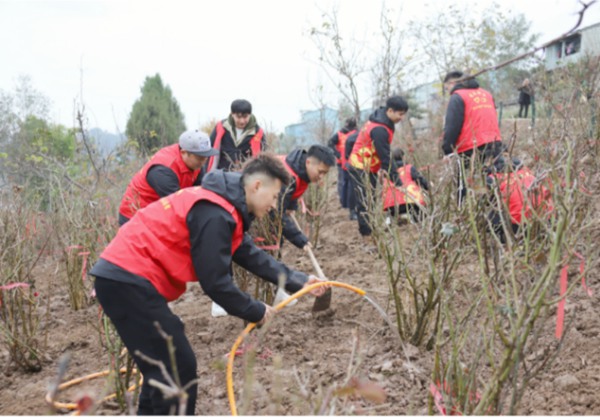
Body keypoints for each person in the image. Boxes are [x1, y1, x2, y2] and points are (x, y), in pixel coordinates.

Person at [90, 154, 329, 415]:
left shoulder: (223, 206)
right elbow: (215, 283)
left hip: (125, 279)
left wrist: (300, 281)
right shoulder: (214, 212)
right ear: (256, 186)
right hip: (126, 279)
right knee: (177, 367)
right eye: (273, 197)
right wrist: (255, 310)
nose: (274, 206)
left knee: (164, 369)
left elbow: (249, 253)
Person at [118, 130, 219, 226]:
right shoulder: (163, 171)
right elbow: (179, 206)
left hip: (159, 212)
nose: (203, 161)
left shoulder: (195, 163)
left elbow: (200, 192)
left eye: (206, 156)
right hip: (134, 216)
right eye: (199, 157)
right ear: (183, 152)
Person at [347, 95, 409, 241]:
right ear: (390, 111)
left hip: (370, 165)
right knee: (365, 200)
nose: (402, 118)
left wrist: (381, 169)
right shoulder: (380, 128)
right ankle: (367, 235)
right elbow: (386, 156)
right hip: (360, 165)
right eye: (400, 114)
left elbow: (381, 153)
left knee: (372, 199)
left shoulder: (384, 121)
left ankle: (371, 228)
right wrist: (398, 182)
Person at [441, 71, 505, 205]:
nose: (448, 91)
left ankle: (462, 210)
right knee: (494, 179)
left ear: (452, 83)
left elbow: (452, 125)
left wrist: (447, 150)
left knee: (462, 182)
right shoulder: (486, 94)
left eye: (446, 87)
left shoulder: (457, 96)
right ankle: (495, 209)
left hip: (469, 146)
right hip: (494, 141)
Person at [277, 144, 336, 250]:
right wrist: (299, 239)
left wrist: (291, 206)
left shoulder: (300, 169)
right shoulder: (286, 177)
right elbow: (276, 214)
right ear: (308, 162)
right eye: (320, 172)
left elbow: (295, 189)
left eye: (325, 173)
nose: (321, 177)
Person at [485, 156, 554, 244]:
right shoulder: (527, 171)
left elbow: (488, 202)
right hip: (546, 219)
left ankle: (504, 241)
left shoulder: (493, 178)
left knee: (494, 211)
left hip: (519, 225)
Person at [205, 99, 267, 172]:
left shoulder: (258, 133)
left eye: (245, 117)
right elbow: (210, 151)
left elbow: (262, 158)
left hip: (245, 176)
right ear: (232, 114)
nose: (242, 121)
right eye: (238, 117)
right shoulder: (221, 127)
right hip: (221, 174)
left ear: (250, 115)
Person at [382, 148, 429, 223]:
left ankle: (391, 219)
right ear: (403, 157)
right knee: (422, 211)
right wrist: (428, 187)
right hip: (409, 201)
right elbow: (420, 180)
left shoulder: (386, 172)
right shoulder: (409, 168)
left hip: (390, 204)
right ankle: (412, 218)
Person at [328, 117, 358, 210]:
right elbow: (330, 144)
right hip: (342, 162)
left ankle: (348, 203)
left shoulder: (356, 133)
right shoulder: (339, 134)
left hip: (352, 162)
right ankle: (343, 202)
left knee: (349, 184)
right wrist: (337, 155)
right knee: (343, 183)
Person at [344, 131, 359, 220]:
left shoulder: (350, 138)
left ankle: (353, 211)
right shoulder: (367, 136)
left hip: (352, 164)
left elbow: (346, 155)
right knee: (355, 189)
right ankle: (354, 211)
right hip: (358, 165)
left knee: (352, 189)